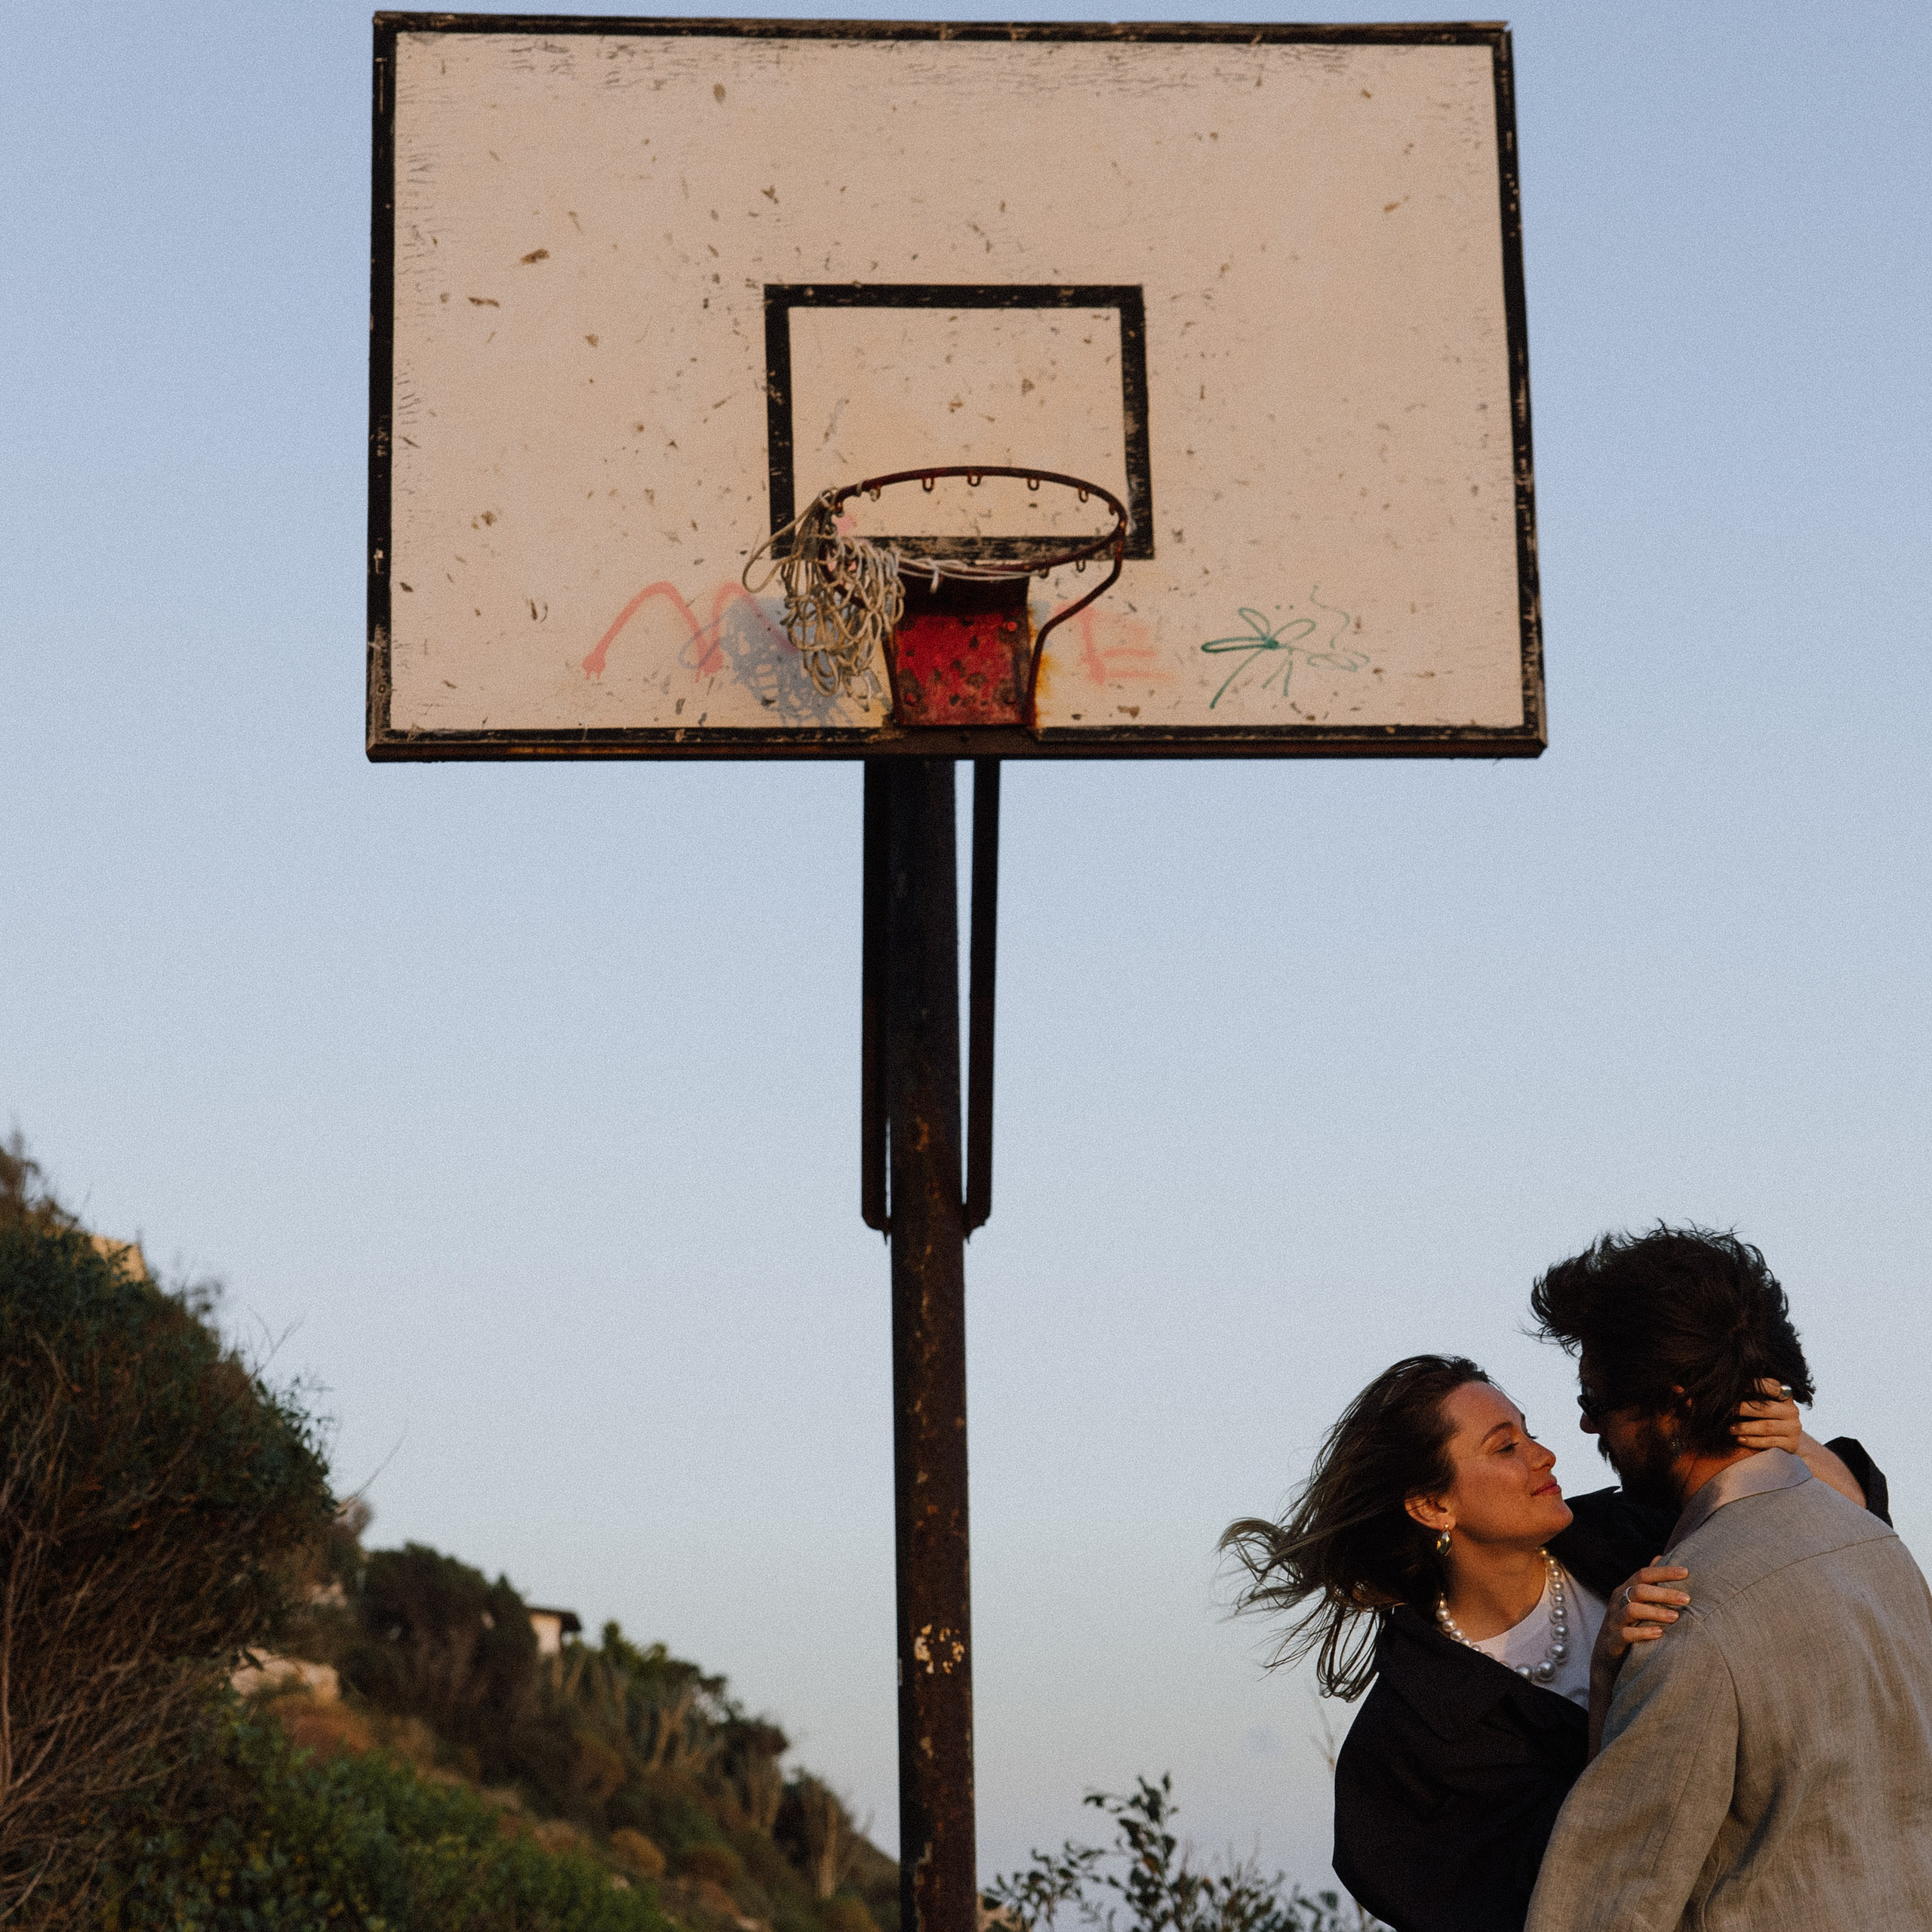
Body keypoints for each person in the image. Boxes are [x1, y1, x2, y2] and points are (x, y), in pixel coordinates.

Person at [1222, 1330, 1888, 1930]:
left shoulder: (1641, 1530)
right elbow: (1573, 1888)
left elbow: (1845, 1531)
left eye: (1528, 1431)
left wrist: (1785, 1446)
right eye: (1506, 1447)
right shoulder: (1405, 1752)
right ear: (1433, 1505)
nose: (1544, 1455)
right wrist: (1608, 1674)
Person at [1523, 1228, 1932, 1929]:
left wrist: (1610, 1678)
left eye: (1597, 1396)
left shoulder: (1686, 1612)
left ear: (1675, 1406)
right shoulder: (1882, 1554)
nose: (1587, 1423)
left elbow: (1603, 1906)